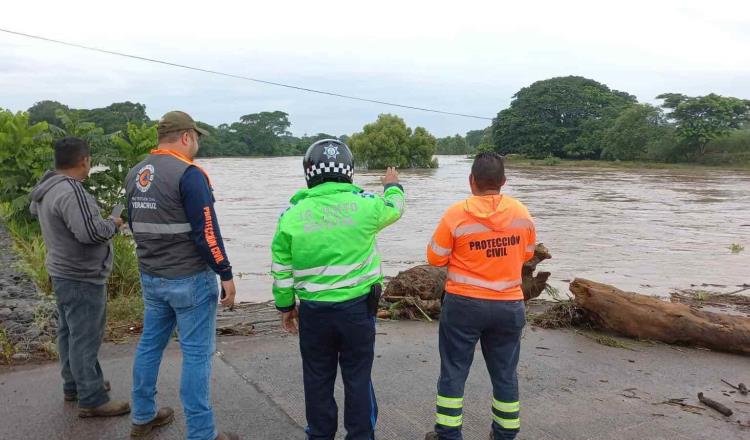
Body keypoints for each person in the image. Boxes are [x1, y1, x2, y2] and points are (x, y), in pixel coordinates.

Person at [271, 139, 405, 440]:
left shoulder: (290, 215)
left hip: (314, 313)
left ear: (309, 171)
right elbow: (396, 208)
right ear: (349, 171)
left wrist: (285, 308)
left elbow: (281, 270)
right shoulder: (367, 206)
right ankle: (360, 435)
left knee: (317, 379)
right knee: (358, 377)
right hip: (358, 311)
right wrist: (393, 185)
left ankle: (320, 435)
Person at [125, 111, 238, 440]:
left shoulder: (135, 173)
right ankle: (202, 433)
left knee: (149, 346)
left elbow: (134, 224)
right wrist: (226, 273)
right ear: (186, 136)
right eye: (197, 137)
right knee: (197, 354)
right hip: (189, 279)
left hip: (151, 276)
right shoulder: (189, 174)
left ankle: (142, 416)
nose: (198, 143)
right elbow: (208, 233)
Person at [424, 152, 536, 440]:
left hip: (463, 306)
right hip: (509, 306)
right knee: (505, 375)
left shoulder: (456, 214)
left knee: (453, 371)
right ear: (503, 182)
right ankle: (505, 434)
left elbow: (435, 258)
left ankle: (448, 434)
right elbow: (527, 254)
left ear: (471, 181)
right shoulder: (521, 213)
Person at [29, 136, 130, 418]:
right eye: (89, 161)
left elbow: (34, 211)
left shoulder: (46, 188)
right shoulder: (73, 192)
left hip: (61, 271)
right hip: (82, 275)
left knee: (68, 333)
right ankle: (92, 398)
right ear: (84, 160)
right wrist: (113, 222)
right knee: (85, 337)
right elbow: (91, 233)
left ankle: (75, 385)